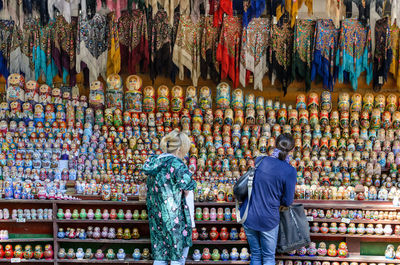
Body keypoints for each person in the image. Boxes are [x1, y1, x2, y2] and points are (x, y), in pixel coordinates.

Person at [240, 133, 297, 265]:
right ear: (292, 150)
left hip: (249, 214)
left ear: (275, 145)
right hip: (268, 217)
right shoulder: (289, 171)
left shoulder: (260, 160)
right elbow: (288, 201)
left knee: (255, 255)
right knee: (268, 257)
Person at [142, 129, 196, 265]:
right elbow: (187, 189)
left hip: (157, 219)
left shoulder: (154, 163)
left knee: (160, 257)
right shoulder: (177, 165)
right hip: (176, 220)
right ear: (179, 149)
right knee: (177, 258)